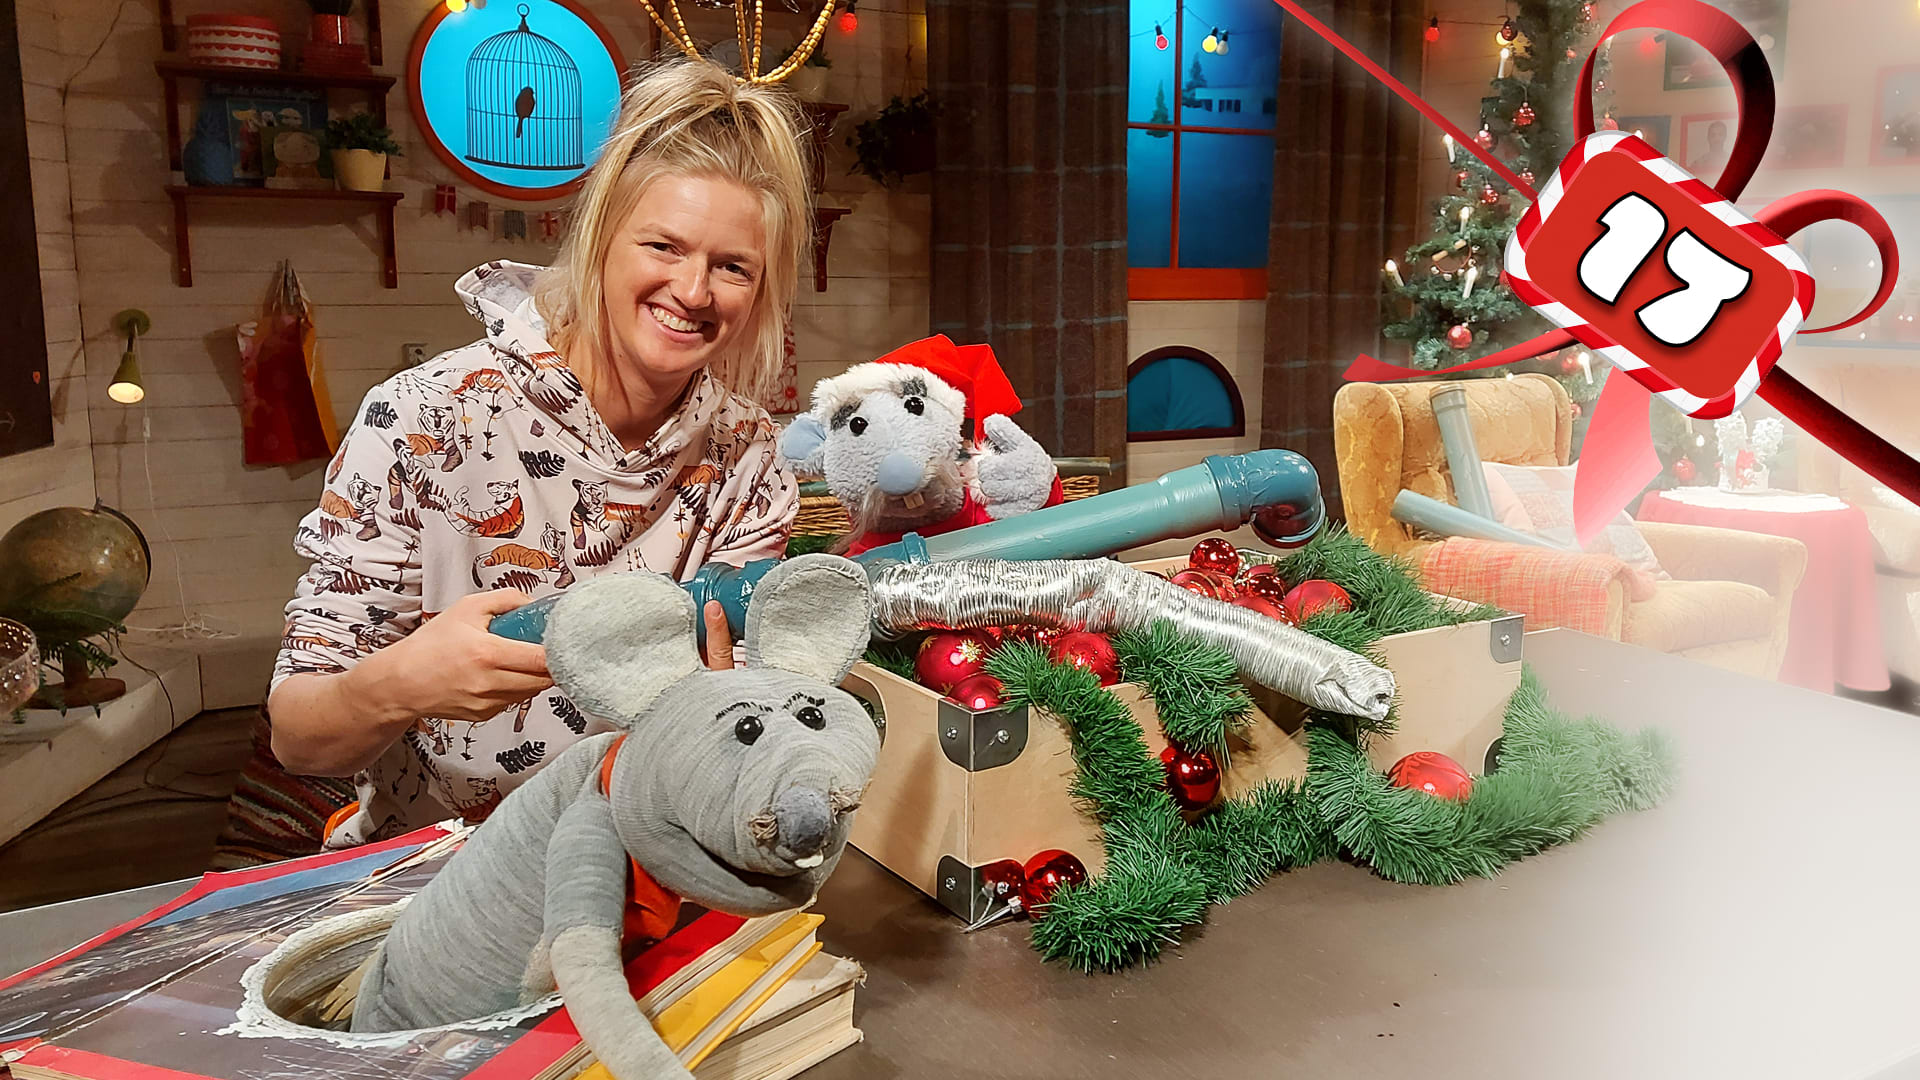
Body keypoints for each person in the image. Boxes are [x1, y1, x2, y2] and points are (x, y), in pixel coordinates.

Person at [266, 59, 812, 847]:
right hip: (438, 870)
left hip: (652, 860)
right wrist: (406, 682)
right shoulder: (422, 417)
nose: (694, 292)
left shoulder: (748, 455)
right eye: (663, 246)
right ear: (599, 239)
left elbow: (741, 714)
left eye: (732, 267)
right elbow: (298, 738)